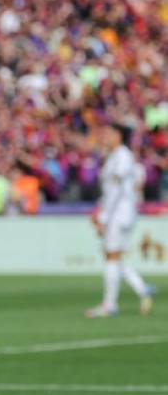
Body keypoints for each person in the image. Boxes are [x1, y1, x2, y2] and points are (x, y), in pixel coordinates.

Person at [86, 124, 154, 318]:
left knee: (111, 256)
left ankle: (109, 305)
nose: (104, 136)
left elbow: (116, 191)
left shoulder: (122, 157)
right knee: (114, 257)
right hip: (116, 212)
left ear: (119, 136)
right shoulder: (115, 156)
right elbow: (109, 191)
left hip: (119, 214)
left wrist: (103, 217)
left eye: (108, 133)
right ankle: (143, 290)